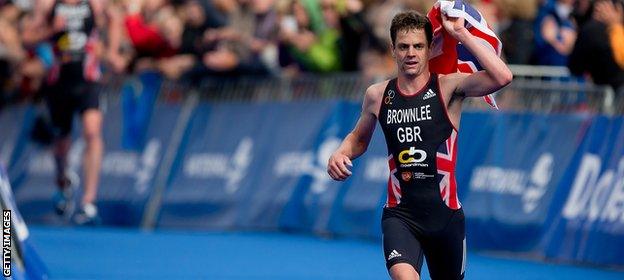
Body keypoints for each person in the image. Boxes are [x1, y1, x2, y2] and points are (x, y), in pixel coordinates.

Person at [326, 10, 512, 280]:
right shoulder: (377, 95)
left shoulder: (449, 88)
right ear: (393, 50)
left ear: (429, 49)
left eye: (418, 46)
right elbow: (358, 138)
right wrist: (341, 152)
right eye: (403, 47)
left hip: (445, 218)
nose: (411, 53)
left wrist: (461, 34)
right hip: (400, 216)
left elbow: (502, 77)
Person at [28, 0, 124, 224]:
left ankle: (89, 202)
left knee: (92, 133)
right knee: (62, 142)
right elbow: (27, 38)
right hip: (59, 82)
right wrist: (51, 30)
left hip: (88, 80)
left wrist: (111, 52)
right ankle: (62, 183)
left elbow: (115, 18)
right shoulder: (47, 4)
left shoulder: (94, 4)